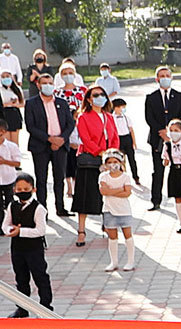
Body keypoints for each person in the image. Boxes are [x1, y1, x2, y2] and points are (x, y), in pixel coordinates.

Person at [71, 85, 119, 248]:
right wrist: (100, 152)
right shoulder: (83, 117)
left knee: (106, 195)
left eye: (102, 94)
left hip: (108, 160)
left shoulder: (109, 117)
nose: (99, 97)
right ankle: (81, 231)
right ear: (89, 99)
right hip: (90, 160)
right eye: (95, 95)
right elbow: (85, 138)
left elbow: (115, 137)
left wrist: (112, 154)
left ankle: (107, 225)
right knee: (85, 195)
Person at [24, 73, 74, 217]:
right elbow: (31, 127)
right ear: (38, 85)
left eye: (50, 83)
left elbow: (70, 124)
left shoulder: (62, 102)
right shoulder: (31, 103)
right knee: (41, 180)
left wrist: (61, 139)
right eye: (44, 83)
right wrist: (49, 139)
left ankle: (61, 208)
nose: (48, 85)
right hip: (40, 147)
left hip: (60, 146)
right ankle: (42, 211)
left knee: (59, 177)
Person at [4, 173, 53, 317]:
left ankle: (46, 307)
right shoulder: (12, 206)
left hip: (34, 249)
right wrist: (9, 230)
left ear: (33, 189)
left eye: (26, 188)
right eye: (19, 189)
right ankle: (22, 308)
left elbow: (40, 230)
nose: (22, 192)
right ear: (14, 190)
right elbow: (6, 223)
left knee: (40, 277)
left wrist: (21, 231)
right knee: (21, 278)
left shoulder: (39, 208)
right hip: (17, 248)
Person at [144, 66, 181, 211]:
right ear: (157, 79)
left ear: (171, 77)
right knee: (158, 169)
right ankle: (155, 200)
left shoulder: (179, 96)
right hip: (158, 138)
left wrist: (172, 131)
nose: (165, 78)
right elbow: (149, 118)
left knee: (179, 168)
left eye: (167, 75)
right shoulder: (151, 97)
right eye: (161, 76)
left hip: (176, 138)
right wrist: (161, 131)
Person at [97, 149, 136, 272]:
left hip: (124, 210)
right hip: (109, 210)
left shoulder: (125, 177)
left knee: (127, 235)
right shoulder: (103, 176)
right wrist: (119, 189)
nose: (112, 164)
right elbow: (104, 191)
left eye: (115, 161)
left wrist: (112, 191)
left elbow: (127, 193)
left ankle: (131, 261)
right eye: (109, 162)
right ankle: (114, 262)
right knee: (112, 237)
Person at [55, 62, 86, 200]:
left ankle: (79, 185)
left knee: (79, 158)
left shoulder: (82, 91)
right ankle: (68, 186)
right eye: (65, 73)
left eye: (70, 73)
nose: (68, 76)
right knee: (66, 159)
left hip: (80, 128)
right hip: (63, 129)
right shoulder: (57, 92)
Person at [110, 99, 140, 184]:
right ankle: (122, 176)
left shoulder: (126, 118)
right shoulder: (111, 118)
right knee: (120, 159)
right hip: (118, 139)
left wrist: (134, 142)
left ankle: (135, 176)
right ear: (116, 108)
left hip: (127, 138)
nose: (123, 109)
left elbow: (131, 130)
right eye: (122, 107)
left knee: (132, 159)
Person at [0, 71, 24, 145]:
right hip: (4, 114)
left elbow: (22, 103)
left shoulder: (17, 89)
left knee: (15, 142)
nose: (6, 78)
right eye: (3, 77)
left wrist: (15, 104)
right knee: (6, 141)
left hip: (15, 114)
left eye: (7, 76)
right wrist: (8, 104)